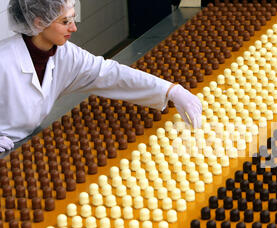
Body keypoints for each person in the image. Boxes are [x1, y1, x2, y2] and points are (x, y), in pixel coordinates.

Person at [0, 0, 202, 153]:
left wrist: (170, 90)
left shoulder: (64, 54)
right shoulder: (4, 60)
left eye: (72, 18)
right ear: (39, 22)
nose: (74, 27)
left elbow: (109, 74)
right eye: (65, 21)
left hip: (24, 145)